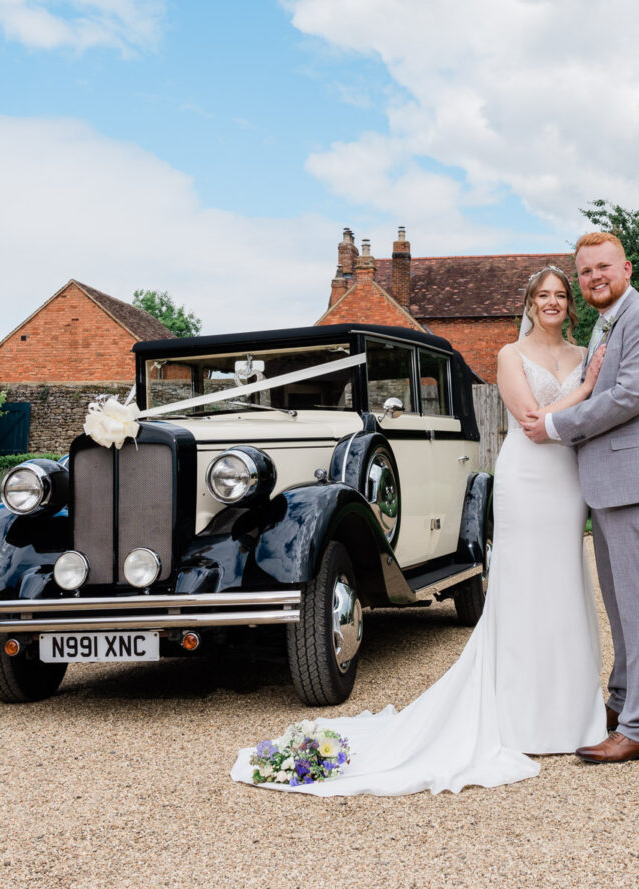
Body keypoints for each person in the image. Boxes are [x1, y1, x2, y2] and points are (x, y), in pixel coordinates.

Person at [231, 265, 607, 795]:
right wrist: (587, 387)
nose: (552, 302)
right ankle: (521, 716)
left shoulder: (581, 354)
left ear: (570, 305)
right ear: (529, 303)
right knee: (523, 586)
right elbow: (530, 418)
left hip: (566, 479)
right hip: (527, 475)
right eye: (543, 295)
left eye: (560, 295)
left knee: (565, 582)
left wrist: (590, 382)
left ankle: (572, 715)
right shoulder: (509, 355)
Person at [520, 231, 639, 764]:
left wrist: (554, 425)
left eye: (603, 267)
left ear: (627, 269)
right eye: (586, 271)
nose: (594, 277)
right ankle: (620, 704)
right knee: (619, 602)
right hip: (608, 483)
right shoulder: (605, 323)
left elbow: (626, 398)